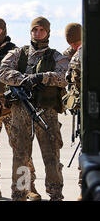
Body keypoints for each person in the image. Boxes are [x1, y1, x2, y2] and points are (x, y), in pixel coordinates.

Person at [0, 16, 69, 201]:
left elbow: (65, 76)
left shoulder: (55, 56)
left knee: (51, 155)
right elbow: (2, 71)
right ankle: (20, 193)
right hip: (21, 109)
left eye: (41, 30)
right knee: (20, 155)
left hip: (46, 111)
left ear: (48, 32)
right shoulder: (19, 53)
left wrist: (41, 77)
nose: (38, 34)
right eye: (34, 30)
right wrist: (22, 79)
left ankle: (55, 194)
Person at [0, 17, 39, 201]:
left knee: (21, 149)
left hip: (12, 107)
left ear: (4, 30)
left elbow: (27, 76)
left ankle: (27, 187)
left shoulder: (17, 53)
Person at [63, 23, 82, 200]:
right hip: (84, 110)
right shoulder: (69, 55)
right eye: (72, 44)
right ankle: (84, 189)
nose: (74, 47)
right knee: (86, 149)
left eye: (77, 43)